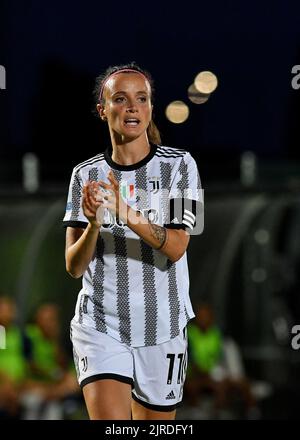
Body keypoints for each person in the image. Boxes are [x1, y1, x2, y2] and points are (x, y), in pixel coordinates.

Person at [63, 62, 203, 420]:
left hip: (164, 326)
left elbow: (176, 246)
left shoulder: (181, 166)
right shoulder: (85, 174)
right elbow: (74, 266)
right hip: (101, 325)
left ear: (150, 109)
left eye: (141, 99)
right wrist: (94, 224)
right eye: (120, 99)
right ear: (103, 110)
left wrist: (124, 209)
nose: (132, 107)